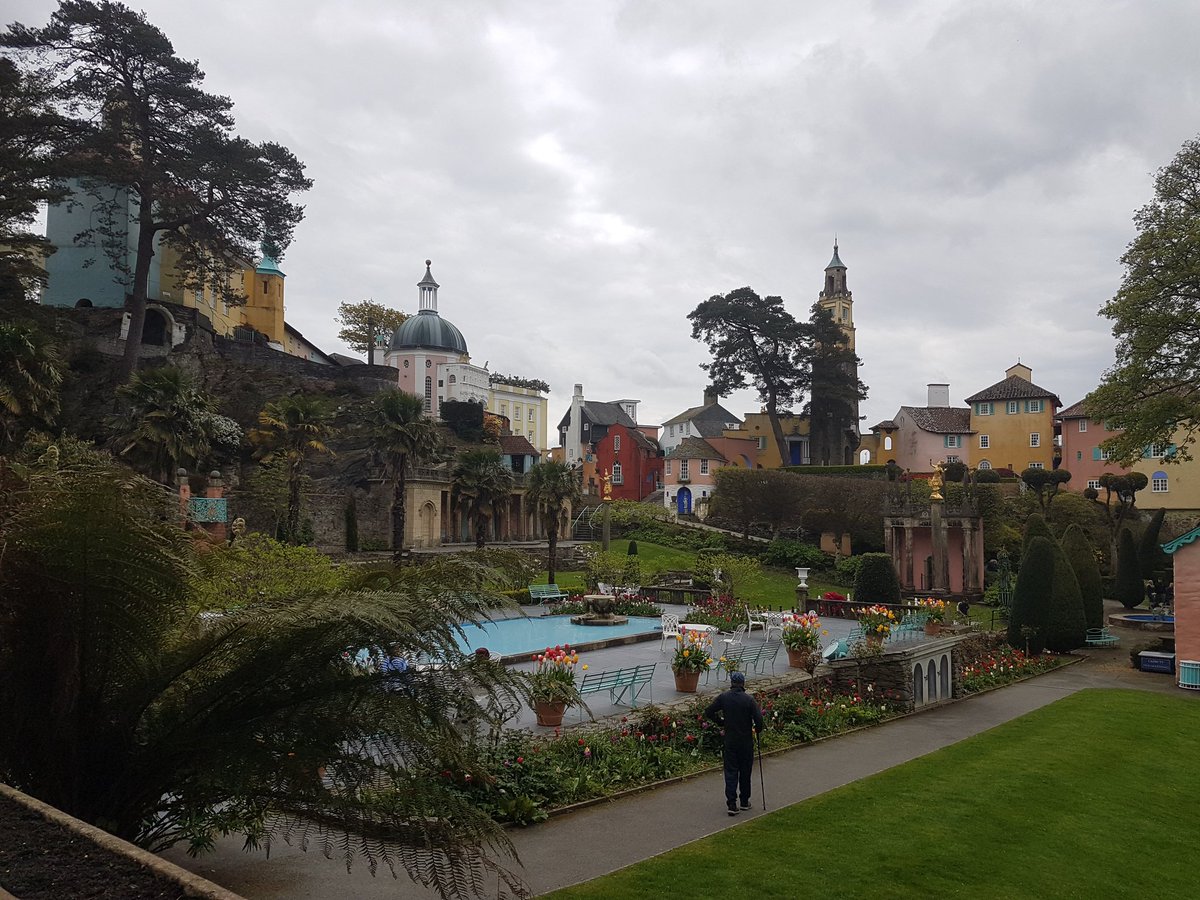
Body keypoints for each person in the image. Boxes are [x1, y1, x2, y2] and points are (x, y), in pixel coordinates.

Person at [704, 670, 764, 815]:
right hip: (745, 742)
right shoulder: (748, 700)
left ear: (732, 683)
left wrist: (721, 722)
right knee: (745, 772)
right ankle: (744, 801)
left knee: (730, 772)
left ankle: (731, 804)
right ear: (743, 683)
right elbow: (759, 720)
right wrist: (757, 729)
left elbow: (709, 711)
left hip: (730, 741)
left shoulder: (724, 698)